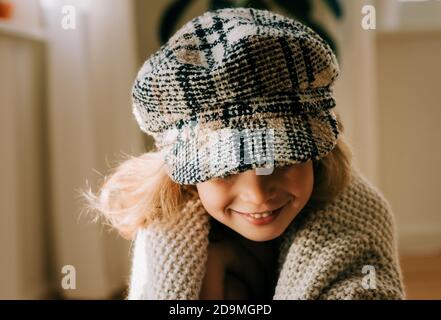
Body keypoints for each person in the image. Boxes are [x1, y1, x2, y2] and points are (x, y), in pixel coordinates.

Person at [83, 7, 405, 300]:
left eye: (282, 160)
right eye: (224, 171)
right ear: (186, 176)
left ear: (317, 152)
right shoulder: (169, 236)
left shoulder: (358, 221)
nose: (257, 194)